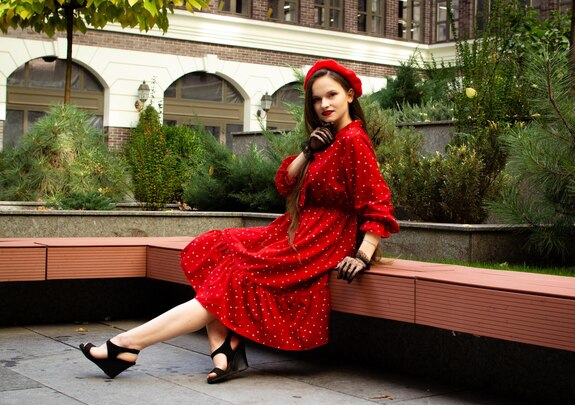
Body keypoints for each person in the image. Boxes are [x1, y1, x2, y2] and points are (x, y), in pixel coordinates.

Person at [79, 59, 399, 384]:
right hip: (296, 229)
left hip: (322, 239)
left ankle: (127, 344)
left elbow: (377, 199)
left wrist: (363, 253)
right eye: (317, 99)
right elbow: (285, 184)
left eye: (331, 95)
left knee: (233, 274)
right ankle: (225, 351)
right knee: (213, 246)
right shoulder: (329, 140)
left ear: (348, 95)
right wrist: (309, 150)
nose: (324, 105)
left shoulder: (354, 140)